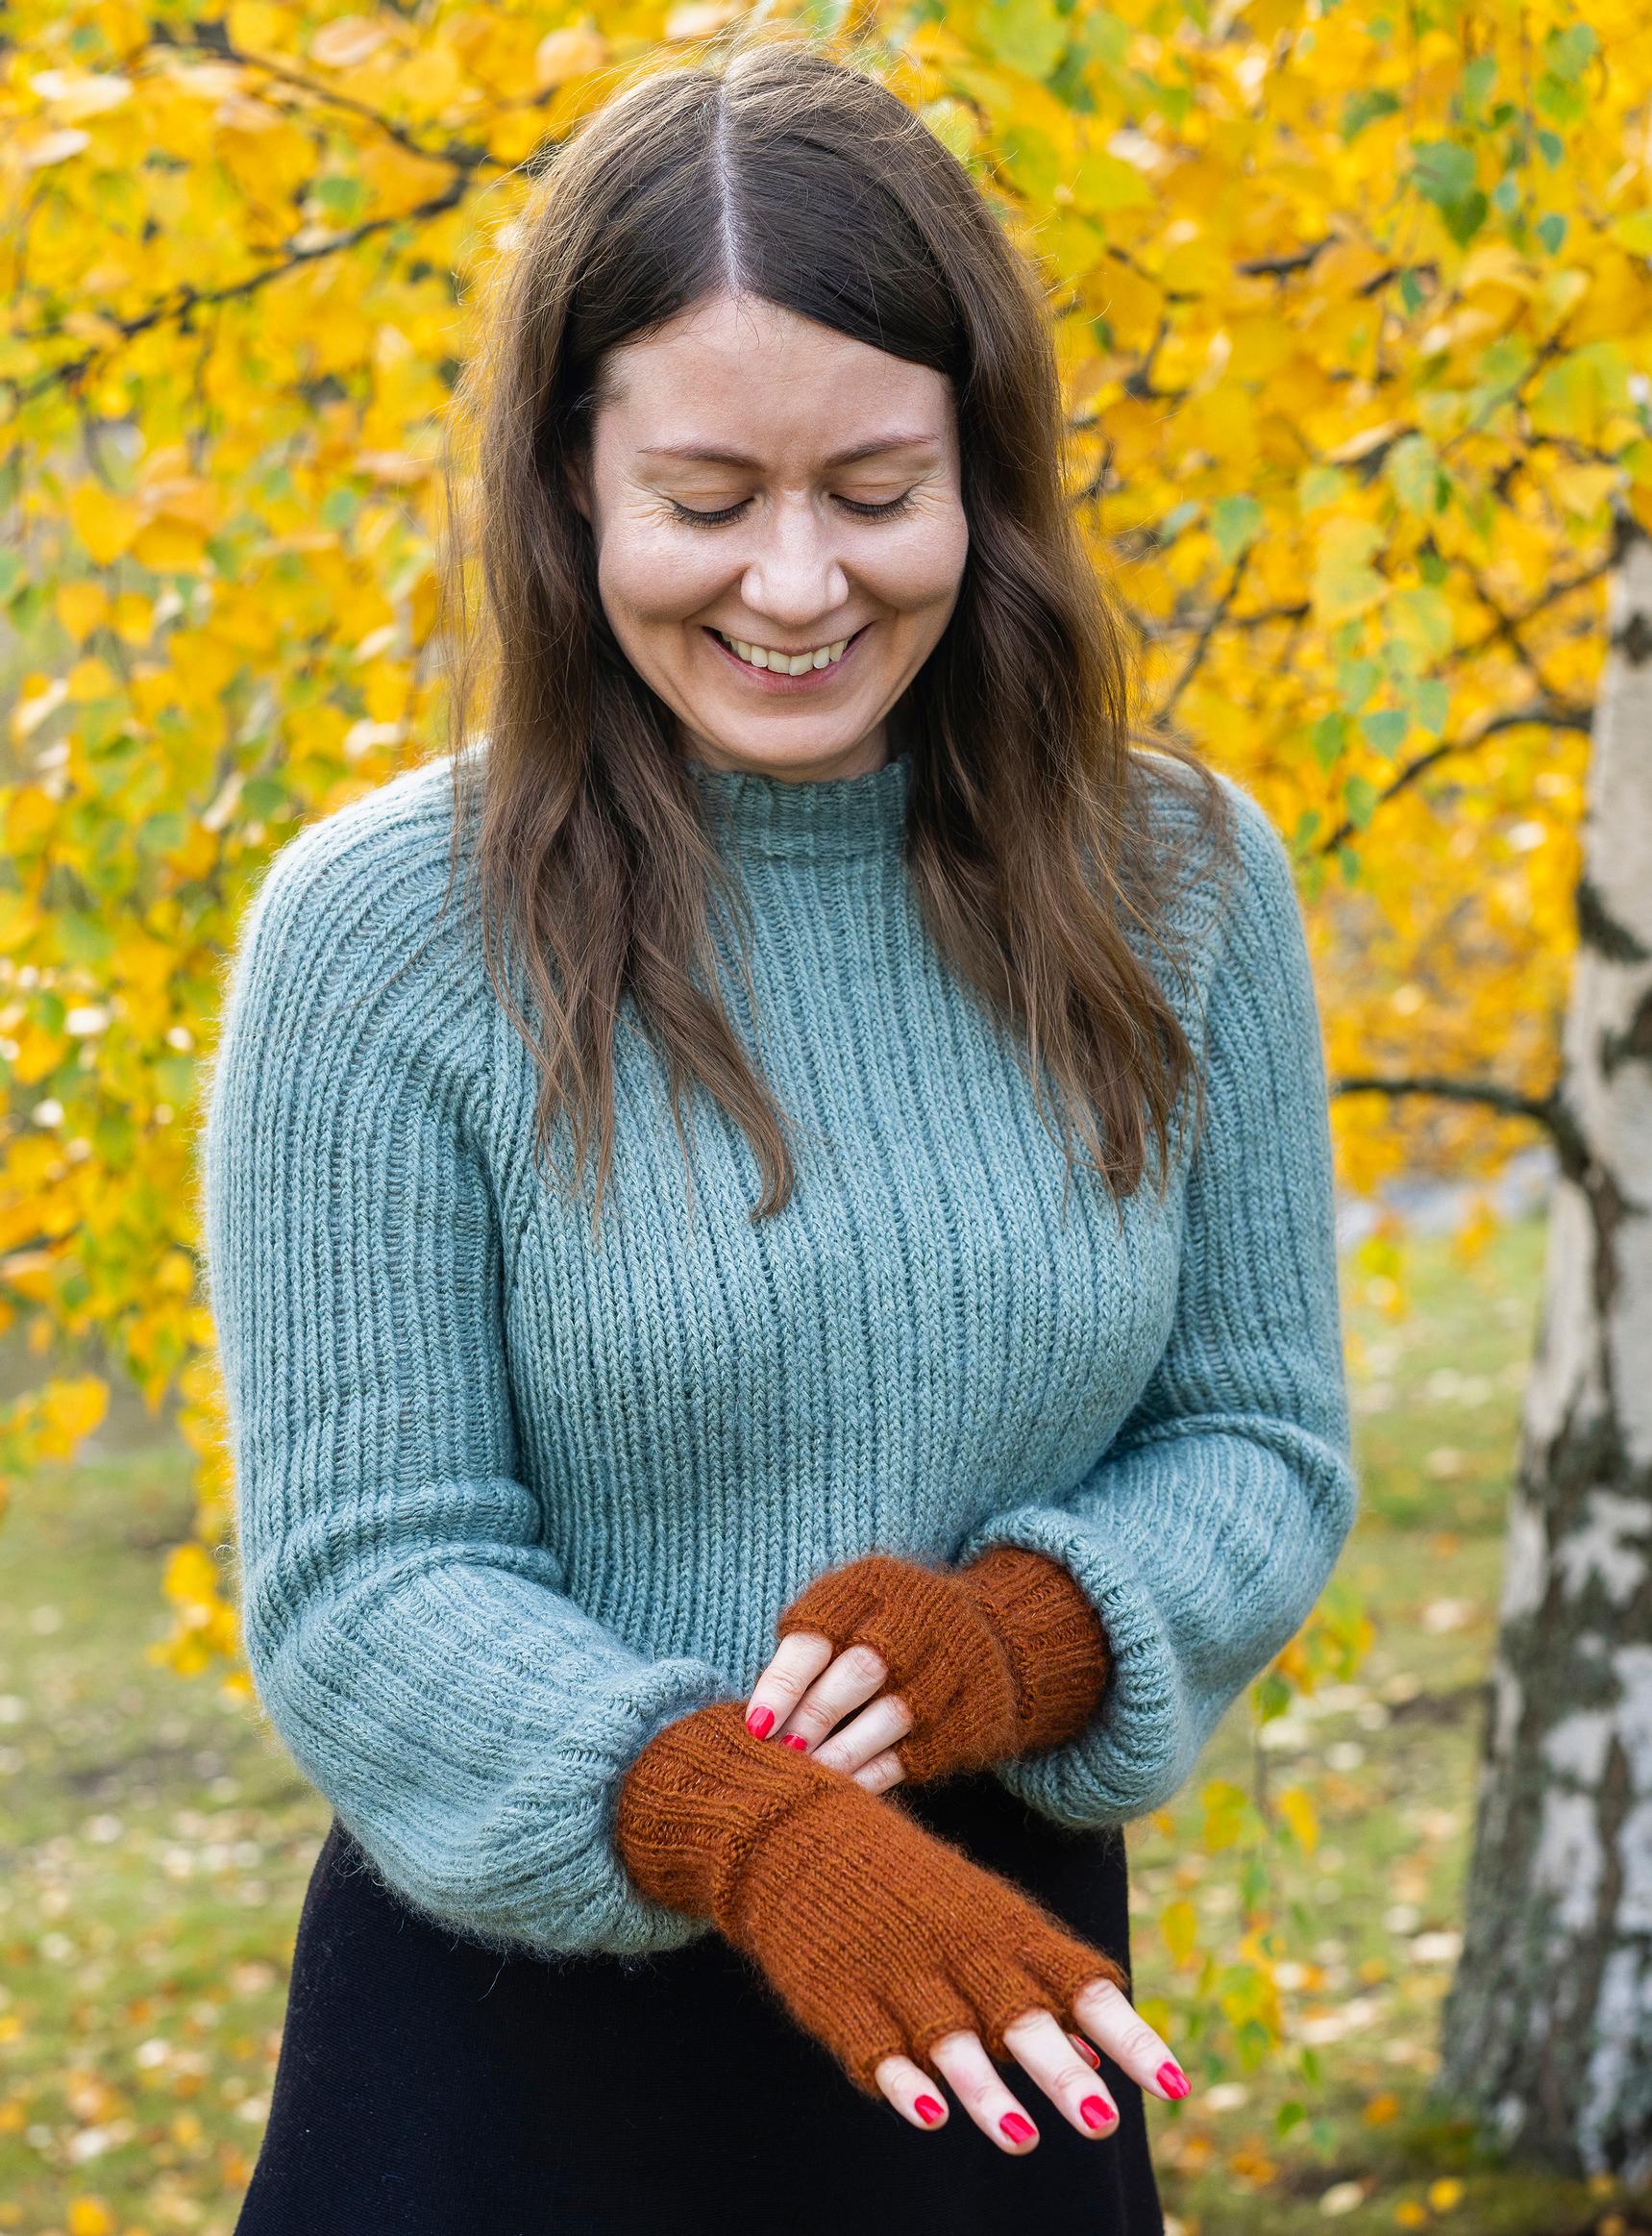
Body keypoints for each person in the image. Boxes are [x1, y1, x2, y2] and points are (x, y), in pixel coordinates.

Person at [201, 32, 1358, 2235]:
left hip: (994, 2008)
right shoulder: (381, 934)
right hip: (509, 2065)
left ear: (981, 475)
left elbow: (1258, 1440)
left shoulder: (1179, 882)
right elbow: (365, 1577)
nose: (801, 585)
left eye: (875, 489)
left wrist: (1018, 1636)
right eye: (709, 501)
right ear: (572, 489)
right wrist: (740, 1820)